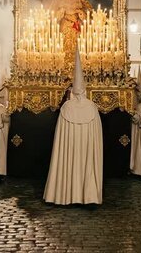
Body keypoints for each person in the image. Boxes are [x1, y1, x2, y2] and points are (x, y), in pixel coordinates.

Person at [44, 49, 103, 205]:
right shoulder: (92, 107)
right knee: (87, 167)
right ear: (84, 91)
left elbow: (59, 140)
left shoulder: (67, 107)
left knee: (68, 165)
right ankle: (88, 197)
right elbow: (97, 137)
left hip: (70, 148)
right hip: (87, 148)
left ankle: (67, 195)